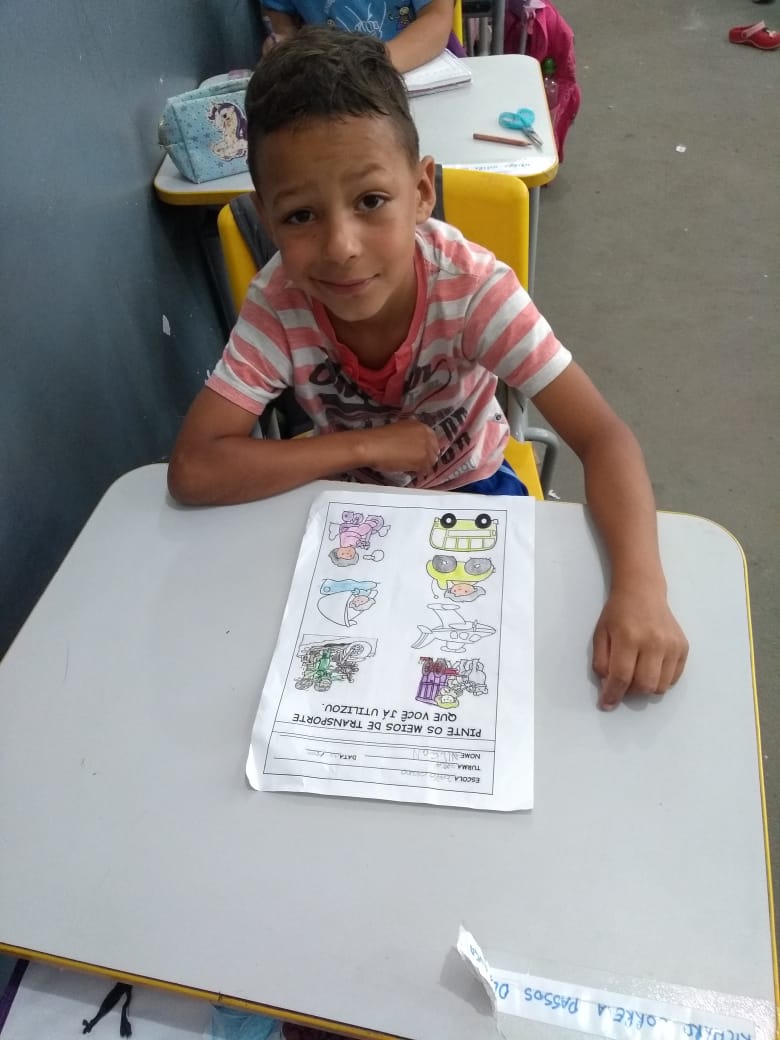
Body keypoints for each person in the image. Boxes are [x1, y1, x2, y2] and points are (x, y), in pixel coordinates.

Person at [168, 26, 688, 720]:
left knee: (504, 691)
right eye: (300, 216)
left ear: (421, 190)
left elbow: (604, 437)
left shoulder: (471, 290)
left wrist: (642, 590)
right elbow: (195, 468)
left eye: (370, 201)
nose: (341, 248)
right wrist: (367, 446)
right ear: (266, 218)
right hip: (345, 503)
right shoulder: (279, 302)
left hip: (473, 490)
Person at [259, 0, 457, 71]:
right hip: (335, 84)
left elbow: (437, 17)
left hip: (419, 69)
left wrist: (370, 64)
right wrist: (282, 42)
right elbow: (282, 23)